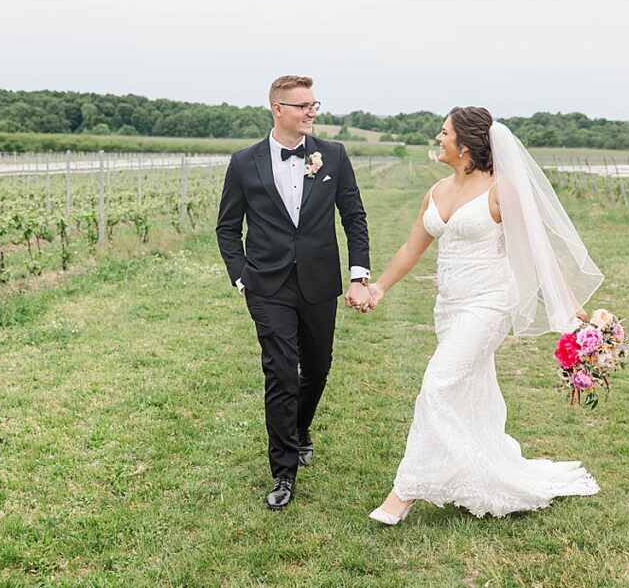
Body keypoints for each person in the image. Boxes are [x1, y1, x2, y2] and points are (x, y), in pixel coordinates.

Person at [365, 106, 604, 524]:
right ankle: (479, 473)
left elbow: (535, 253)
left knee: (438, 384)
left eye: (444, 133)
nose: (438, 139)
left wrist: (573, 309)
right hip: (449, 307)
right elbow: (410, 248)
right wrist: (379, 288)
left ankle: (404, 492)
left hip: (489, 305)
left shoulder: (501, 190)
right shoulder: (437, 190)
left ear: (466, 144)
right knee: (468, 391)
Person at [215, 75, 372, 510]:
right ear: (277, 109)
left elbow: (354, 217)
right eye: (303, 105)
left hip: (320, 282)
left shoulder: (334, 157)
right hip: (267, 285)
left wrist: (359, 274)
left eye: (314, 104)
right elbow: (228, 228)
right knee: (281, 372)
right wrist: (241, 275)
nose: (312, 112)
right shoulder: (244, 163)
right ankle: (283, 471)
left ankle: (301, 429)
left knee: (317, 369)